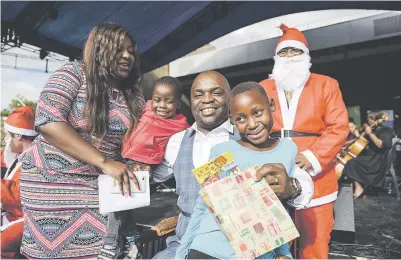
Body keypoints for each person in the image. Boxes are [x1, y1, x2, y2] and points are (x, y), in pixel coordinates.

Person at [152, 71, 314, 259]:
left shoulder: (253, 139)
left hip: (253, 245)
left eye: (216, 92)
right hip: (191, 241)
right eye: (198, 94)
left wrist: (293, 187)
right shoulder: (176, 142)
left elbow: (299, 189)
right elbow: (195, 200)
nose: (207, 100)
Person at [19, 23, 145, 259]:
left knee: (106, 251)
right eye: (120, 49)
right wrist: (103, 160)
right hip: (53, 181)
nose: (128, 55)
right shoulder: (73, 73)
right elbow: (48, 120)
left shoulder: (133, 93)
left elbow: (139, 137)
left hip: (102, 184)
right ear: (100, 49)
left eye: (131, 51)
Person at [260, 23, 349, 259]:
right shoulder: (262, 88)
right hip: (271, 170)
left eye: (295, 51)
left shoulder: (327, 84)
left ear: (306, 55)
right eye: (284, 52)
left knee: (314, 244)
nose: (289, 56)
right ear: (276, 57)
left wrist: (312, 157)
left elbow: (339, 127)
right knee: (270, 243)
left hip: (317, 176)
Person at [100, 76, 189, 258]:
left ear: (178, 104)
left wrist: (155, 170)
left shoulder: (180, 125)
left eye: (169, 101)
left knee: (117, 203)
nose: (161, 105)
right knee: (124, 204)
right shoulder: (146, 108)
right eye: (157, 100)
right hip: (122, 159)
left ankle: (110, 243)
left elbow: (186, 143)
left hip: (142, 165)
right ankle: (132, 238)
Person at [1, 106, 37, 259]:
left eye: (7, 136)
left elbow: (17, 195)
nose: (5, 139)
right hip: (12, 216)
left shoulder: (34, 160)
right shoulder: (20, 154)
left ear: (18, 136)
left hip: (25, 221)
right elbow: (4, 157)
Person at [342, 111, 395, 198]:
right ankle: (360, 186)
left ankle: (359, 189)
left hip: (378, 161)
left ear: (375, 120)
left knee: (351, 163)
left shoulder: (386, 131)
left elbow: (381, 145)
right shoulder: (374, 130)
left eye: (369, 121)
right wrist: (360, 137)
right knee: (353, 160)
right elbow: (367, 147)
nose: (367, 123)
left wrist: (370, 133)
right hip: (372, 158)